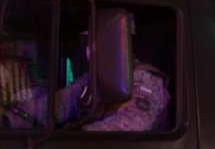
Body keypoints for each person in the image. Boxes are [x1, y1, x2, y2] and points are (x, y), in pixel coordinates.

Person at [3, 31, 171, 132]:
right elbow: (57, 105)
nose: (88, 50)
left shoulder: (144, 78)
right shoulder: (91, 79)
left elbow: (134, 123)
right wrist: (10, 119)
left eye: (93, 42)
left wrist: (78, 138)